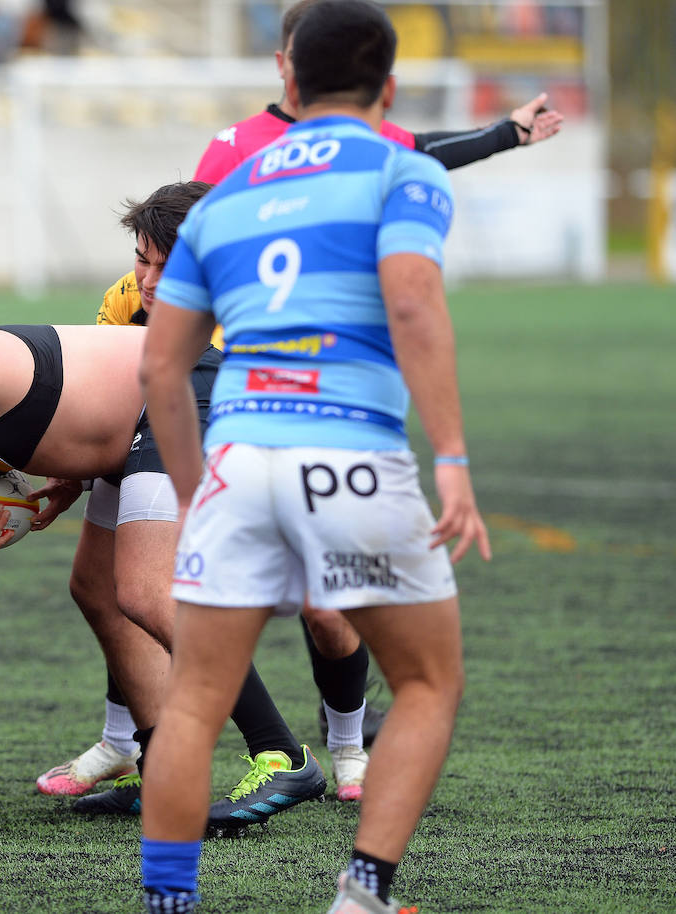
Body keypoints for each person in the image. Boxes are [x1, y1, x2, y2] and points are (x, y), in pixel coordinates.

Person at [137, 3, 491, 912]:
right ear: (392, 89)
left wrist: (196, 494)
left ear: (288, 83)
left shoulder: (231, 191)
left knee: (192, 701)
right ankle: (362, 893)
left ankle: (169, 902)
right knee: (425, 680)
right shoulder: (402, 172)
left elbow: (161, 365)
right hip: (352, 457)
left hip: (239, 459)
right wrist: (451, 456)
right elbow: (413, 307)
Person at [43, 183, 326, 827]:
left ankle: (281, 753)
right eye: (144, 258)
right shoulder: (124, 300)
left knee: (147, 592)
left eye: (170, 265)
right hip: (151, 429)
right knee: (95, 586)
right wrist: (69, 477)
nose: (149, 279)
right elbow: (110, 394)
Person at [193, 0, 564, 184]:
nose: (314, 65)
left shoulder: (366, 135)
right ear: (281, 63)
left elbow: (426, 150)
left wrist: (509, 133)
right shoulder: (235, 146)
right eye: (301, 55)